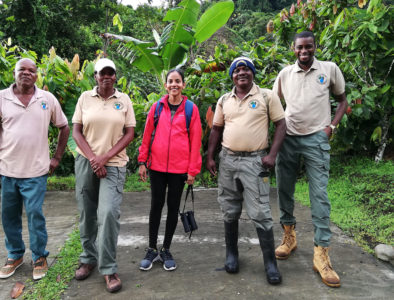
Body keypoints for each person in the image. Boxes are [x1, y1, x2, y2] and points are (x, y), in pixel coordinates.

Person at [272, 31, 348, 288]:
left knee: (320, 196)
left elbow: (342, 100)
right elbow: (274, 105)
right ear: (293, 49)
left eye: (309, 47)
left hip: (317, 138)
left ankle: (321, 253)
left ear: (315, 47)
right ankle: (289, 236)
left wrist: (331, 128)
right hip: (289, 139)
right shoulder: (284, 74)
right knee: (284, 189)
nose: (304, 51)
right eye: (299, 48)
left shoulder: (329, 69)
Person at [0, 58, 69, 281]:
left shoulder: (47, 99)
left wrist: (57, 157)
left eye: (32, 70)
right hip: (8, 171)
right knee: (9, 216)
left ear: (37, 76)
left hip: (36, 172)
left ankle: (39, 256)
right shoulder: (0, 98)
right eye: (22, 69)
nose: (27, 73)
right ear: (14, 73)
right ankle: (15, 255)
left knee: (34, 215)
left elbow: (64, 126)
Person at [206, 57, 286, 284]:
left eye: (246, 69)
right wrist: (210, 157)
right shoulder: (224, 100)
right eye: (237, 70)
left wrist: (272, 155)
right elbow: (216, 130)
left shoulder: (266, 96)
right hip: (228, 161)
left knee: (260, 211)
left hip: (255, 162)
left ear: (252, 73)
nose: (241, 73)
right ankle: (232, 255)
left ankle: (270, 263)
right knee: (229, 209)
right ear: (232, 75)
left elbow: (281, 125)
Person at [71, 58, 135, 293]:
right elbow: (76, 131)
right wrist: (93, 159)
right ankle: (88, 258)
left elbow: (129, 133)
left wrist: (104, 158)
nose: (106, 76)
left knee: (107, 214)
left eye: (111, 73)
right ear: (95, 76)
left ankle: (108, 268)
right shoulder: (85, 98)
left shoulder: (123, 100)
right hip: (86, 162)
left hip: (114, 164)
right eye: (102, 73)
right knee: (87, 212)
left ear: (115, 76)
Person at [137, 69, 202, 271]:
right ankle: (151, 248)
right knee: (155, 207)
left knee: (173, 209)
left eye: (178, 81)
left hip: (179, 170)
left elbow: (196, 141)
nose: (174, 84)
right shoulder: (156, 108)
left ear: (183, 85)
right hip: (156, 167)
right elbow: (147, 136)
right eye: (171, 81)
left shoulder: (191, 109)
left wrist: (192, 170)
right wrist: (142, 161)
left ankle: (166, 249)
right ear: (166, 85)